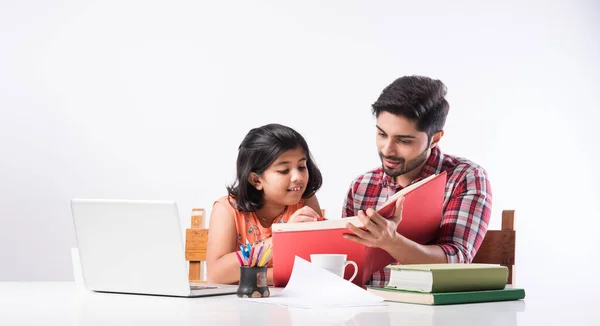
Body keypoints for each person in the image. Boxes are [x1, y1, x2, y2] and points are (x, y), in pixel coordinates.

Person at [342, 75, 492, 286]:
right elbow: (346, 264)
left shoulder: (465, 177)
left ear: (435, 138)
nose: (387, 150)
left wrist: (391, 242)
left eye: (404, 140)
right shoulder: (361, 186)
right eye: (382, 134)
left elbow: (456, 260)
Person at [206, 123, 323, 285]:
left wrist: (248, 275)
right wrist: (284, 236)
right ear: (256, 180)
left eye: (302, 166)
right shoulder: (226, 209)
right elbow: (217, 274)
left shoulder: (305, 202)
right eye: (284, 170)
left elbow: (318, 268)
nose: (298, 177)